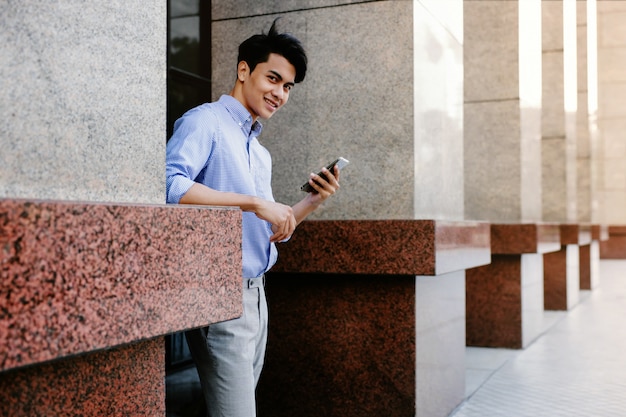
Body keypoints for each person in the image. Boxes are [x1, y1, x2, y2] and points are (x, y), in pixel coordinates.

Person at [165, 19, 342, 417]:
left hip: (256, 295)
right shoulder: (204, 122)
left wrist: (311, 202)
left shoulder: (259, 152)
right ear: (244, 70)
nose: (279, 93)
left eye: (288, 87)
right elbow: (169, 186)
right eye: (273, 79)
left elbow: (269, 230)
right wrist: (254, 202)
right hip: (219, 293)